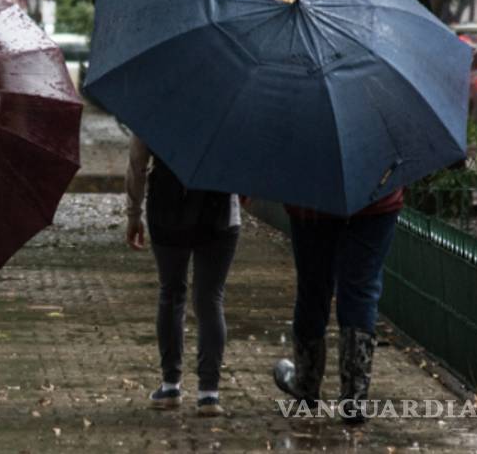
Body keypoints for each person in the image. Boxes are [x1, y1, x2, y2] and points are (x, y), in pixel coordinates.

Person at [127, 136, 240, 417]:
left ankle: (170, 387)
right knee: (210, 299)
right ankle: (209, 394)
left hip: (167, 207)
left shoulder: (156, 110)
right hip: (219, 209)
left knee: (171, 292)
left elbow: (137, 162)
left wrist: (133, 213)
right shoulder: (235, 110)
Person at [272, 190, 402, 424]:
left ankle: (306, 385)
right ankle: (354, 398)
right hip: (376, 196)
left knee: (313, 287)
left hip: (312, 199)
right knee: (361, 291)